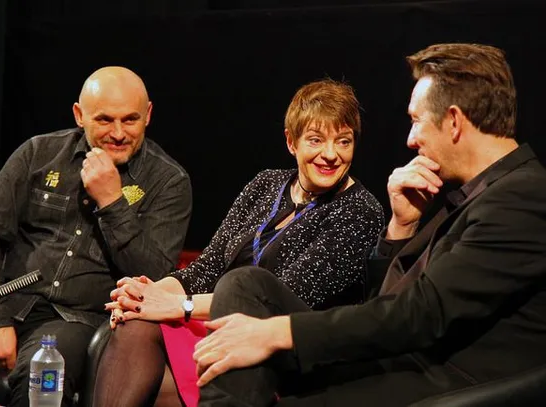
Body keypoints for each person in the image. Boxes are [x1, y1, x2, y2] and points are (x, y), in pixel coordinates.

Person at [193, 43, 546, 406]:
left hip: (446, 382)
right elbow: (387, 301)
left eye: (416, 120)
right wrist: (402, 225)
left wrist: (278, 332)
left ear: (454, 122)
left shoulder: (522, 197)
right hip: (400, 358)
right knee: (245, 284)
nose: (411, 139)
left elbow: (421, 313)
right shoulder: (483, 193)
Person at [92, 78, 385, 407]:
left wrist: (178, 305)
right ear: (292, 142)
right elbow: (208, 266)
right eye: (316, 140)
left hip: (284, 349)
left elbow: (279, 297)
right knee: (134, 323)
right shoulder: (266, 184)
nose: (330, 155)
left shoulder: (360, 212)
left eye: (343, 142)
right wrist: (143, 297)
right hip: (221, 326)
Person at [0, 66, 192, 407]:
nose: (118, 133)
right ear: (79, 115)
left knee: (42, 375)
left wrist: (112, 203)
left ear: (148, 115)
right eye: (104, 120)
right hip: (6, 298)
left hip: (76, 321)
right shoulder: (39, 153)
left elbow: (154, 276)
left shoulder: (168, 181)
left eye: (130, 120)